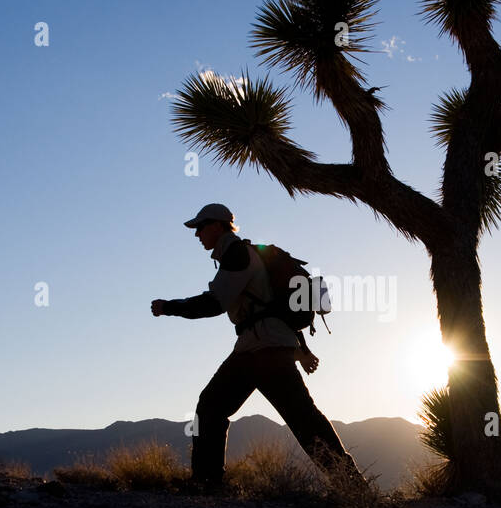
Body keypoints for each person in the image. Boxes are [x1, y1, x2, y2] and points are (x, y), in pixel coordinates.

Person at [151, 203, 367, 493]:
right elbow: (270, 306)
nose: (197, 234)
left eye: (201, 227)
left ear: (217, 225)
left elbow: (215, 303)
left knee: (218, 408)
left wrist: (169, 307)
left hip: (260, 350)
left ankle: (207, 482)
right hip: (262, 347)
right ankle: (352, 487)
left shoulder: (237, 254)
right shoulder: (245, 254)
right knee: (301, 418)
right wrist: (299, 349)